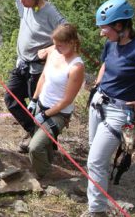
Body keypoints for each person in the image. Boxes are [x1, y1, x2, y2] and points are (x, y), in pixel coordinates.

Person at [86, 0, 135, 216]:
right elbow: (106, 64)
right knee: (95, 154)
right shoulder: (111, 44)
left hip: (118, 112)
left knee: (95, 161)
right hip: (99, 103)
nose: (101, 33)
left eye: (104, 28)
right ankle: (100, 189)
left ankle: (96, 210)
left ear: (120, 26)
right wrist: (98, 84)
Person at [0, 0, 66, 153]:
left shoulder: (49, 11)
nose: (20, 1)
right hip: (22, 64)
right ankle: (35, 132)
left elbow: (68, 33)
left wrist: (51, 48)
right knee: (11, 99)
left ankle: (46, 143)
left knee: (40, 107)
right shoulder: (26, 4)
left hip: (38, 68)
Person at [27, 24, 85, 178]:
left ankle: (46, 175)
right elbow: (44, 76)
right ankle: (46, 170)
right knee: (44, 145)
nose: (56, 48)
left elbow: (67, 100)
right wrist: (34, 100)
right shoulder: (53, 52)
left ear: (72, 42)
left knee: (35, 147)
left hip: (58, 113)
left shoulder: (76, 67)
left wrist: (46, 114)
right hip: (42, 104)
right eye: (55, 44)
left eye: (60, 45)